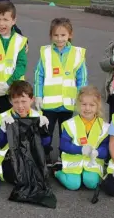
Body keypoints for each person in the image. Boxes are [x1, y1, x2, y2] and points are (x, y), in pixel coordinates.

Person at [34, 18, 87, 162]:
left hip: (68, 104)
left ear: (70, 35)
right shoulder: (45, 52)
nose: (59, 39)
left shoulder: (77, 53)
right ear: (51, 36)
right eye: (56, 35)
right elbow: (39, 75)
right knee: (46, 132)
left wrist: (82, 99)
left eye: (63, 35)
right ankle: (44, 155)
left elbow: (82, 78)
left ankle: (62, 156)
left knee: (66, 133)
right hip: (49, 104)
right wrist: (38, 95)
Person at [54, 86, 109, 191]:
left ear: (98, 107)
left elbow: (106, 149)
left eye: (92, 105)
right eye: (84, 104)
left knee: (92, 183)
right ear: (78, 105)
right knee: (73, 185)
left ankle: (85, 176)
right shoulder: (70, 124)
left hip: (93, 162)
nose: (87, 108)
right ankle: (58, 173)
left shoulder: (105, 127)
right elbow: (63, 145)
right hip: (73, 161)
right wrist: (80, 150)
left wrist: (98, 152)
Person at [0, 80, 50, 183]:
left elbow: (46, 144)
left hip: (31, 158)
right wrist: (3, 129)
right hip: (10, 158)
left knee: (37, 178)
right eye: (16, 102)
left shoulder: (38, 116)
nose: (20, 106)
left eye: (23, 101)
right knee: (19, 178)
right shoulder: (3, 117)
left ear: (32, 100)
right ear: (10, 101)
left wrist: (44, 131)